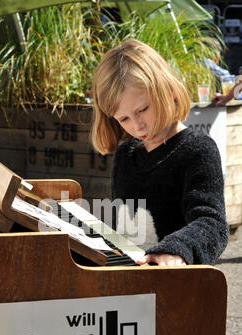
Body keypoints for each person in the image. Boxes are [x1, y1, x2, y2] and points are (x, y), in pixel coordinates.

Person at [91, 39, 229, 266]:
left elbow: (212, 222)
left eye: (142, 109)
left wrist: (176, 250)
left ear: (165, 89)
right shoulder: (126, 155)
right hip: (131, 283)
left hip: (179, 286)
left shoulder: (199, 150)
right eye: (123, 118)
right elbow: (123, 226)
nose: (137, 126)